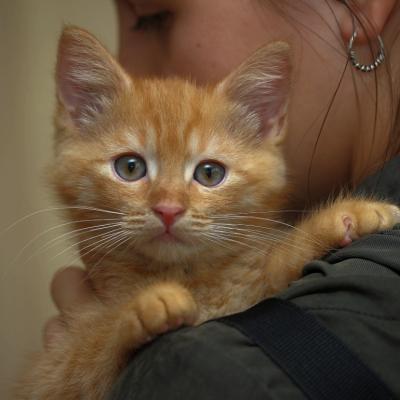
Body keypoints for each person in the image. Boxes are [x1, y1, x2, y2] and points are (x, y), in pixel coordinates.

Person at [45, 0, 400, 398]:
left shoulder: (220, 370)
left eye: (152, 18)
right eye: (130, 167)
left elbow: (252, 281)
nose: (168, 205)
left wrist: (149, 368)